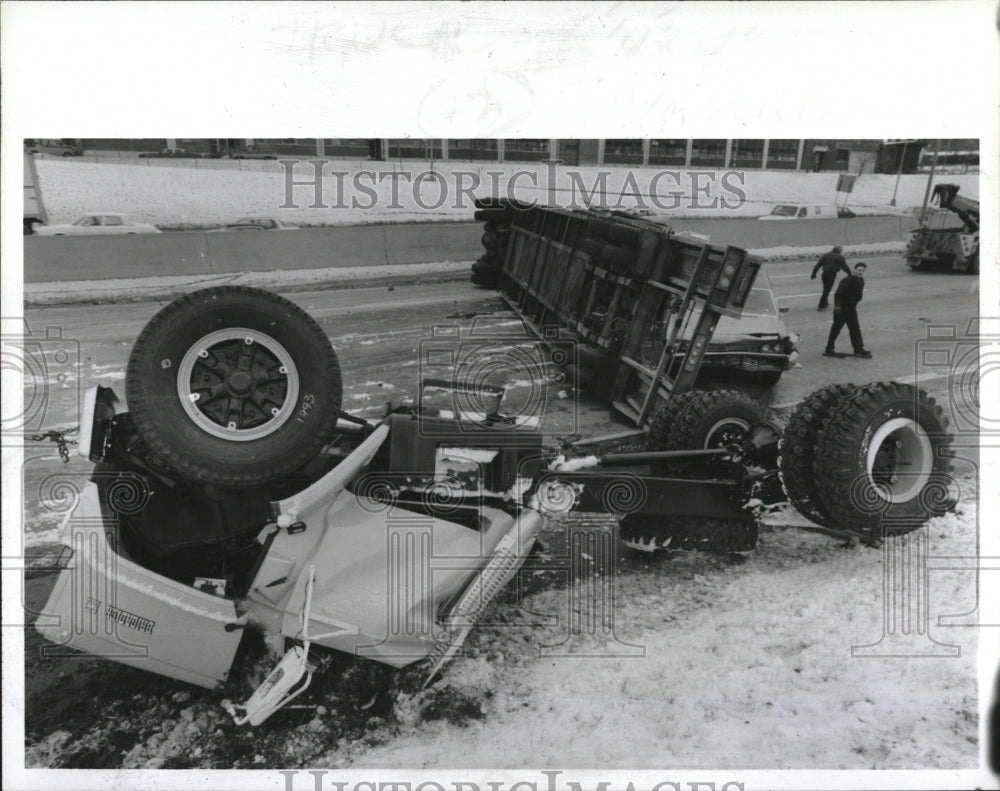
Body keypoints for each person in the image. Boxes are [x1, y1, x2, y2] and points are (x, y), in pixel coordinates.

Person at [824, 262, 872, 358]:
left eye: (862, 271)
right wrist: (837, 306)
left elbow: (858, 295)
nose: (860, 272)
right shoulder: (847, 280)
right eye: (859, 270)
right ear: (854, 270)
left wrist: (857, 300)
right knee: (836, 329)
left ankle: (858, 348)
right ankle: (829, 348)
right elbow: (837, 294)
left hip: (851, 309)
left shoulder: (861, 281)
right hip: (841, 309)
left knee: (855, 329)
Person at [811, 245, 850, 310]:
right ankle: (821, 306)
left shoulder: (826, 255)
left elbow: (818, 265)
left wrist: (814, 273)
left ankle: (825, 303)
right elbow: (844, 267)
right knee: (826, 290)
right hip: (831, 275)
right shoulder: (840, 257)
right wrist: (849, 273)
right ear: (840, 251)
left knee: (825, 289)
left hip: (824, 275)